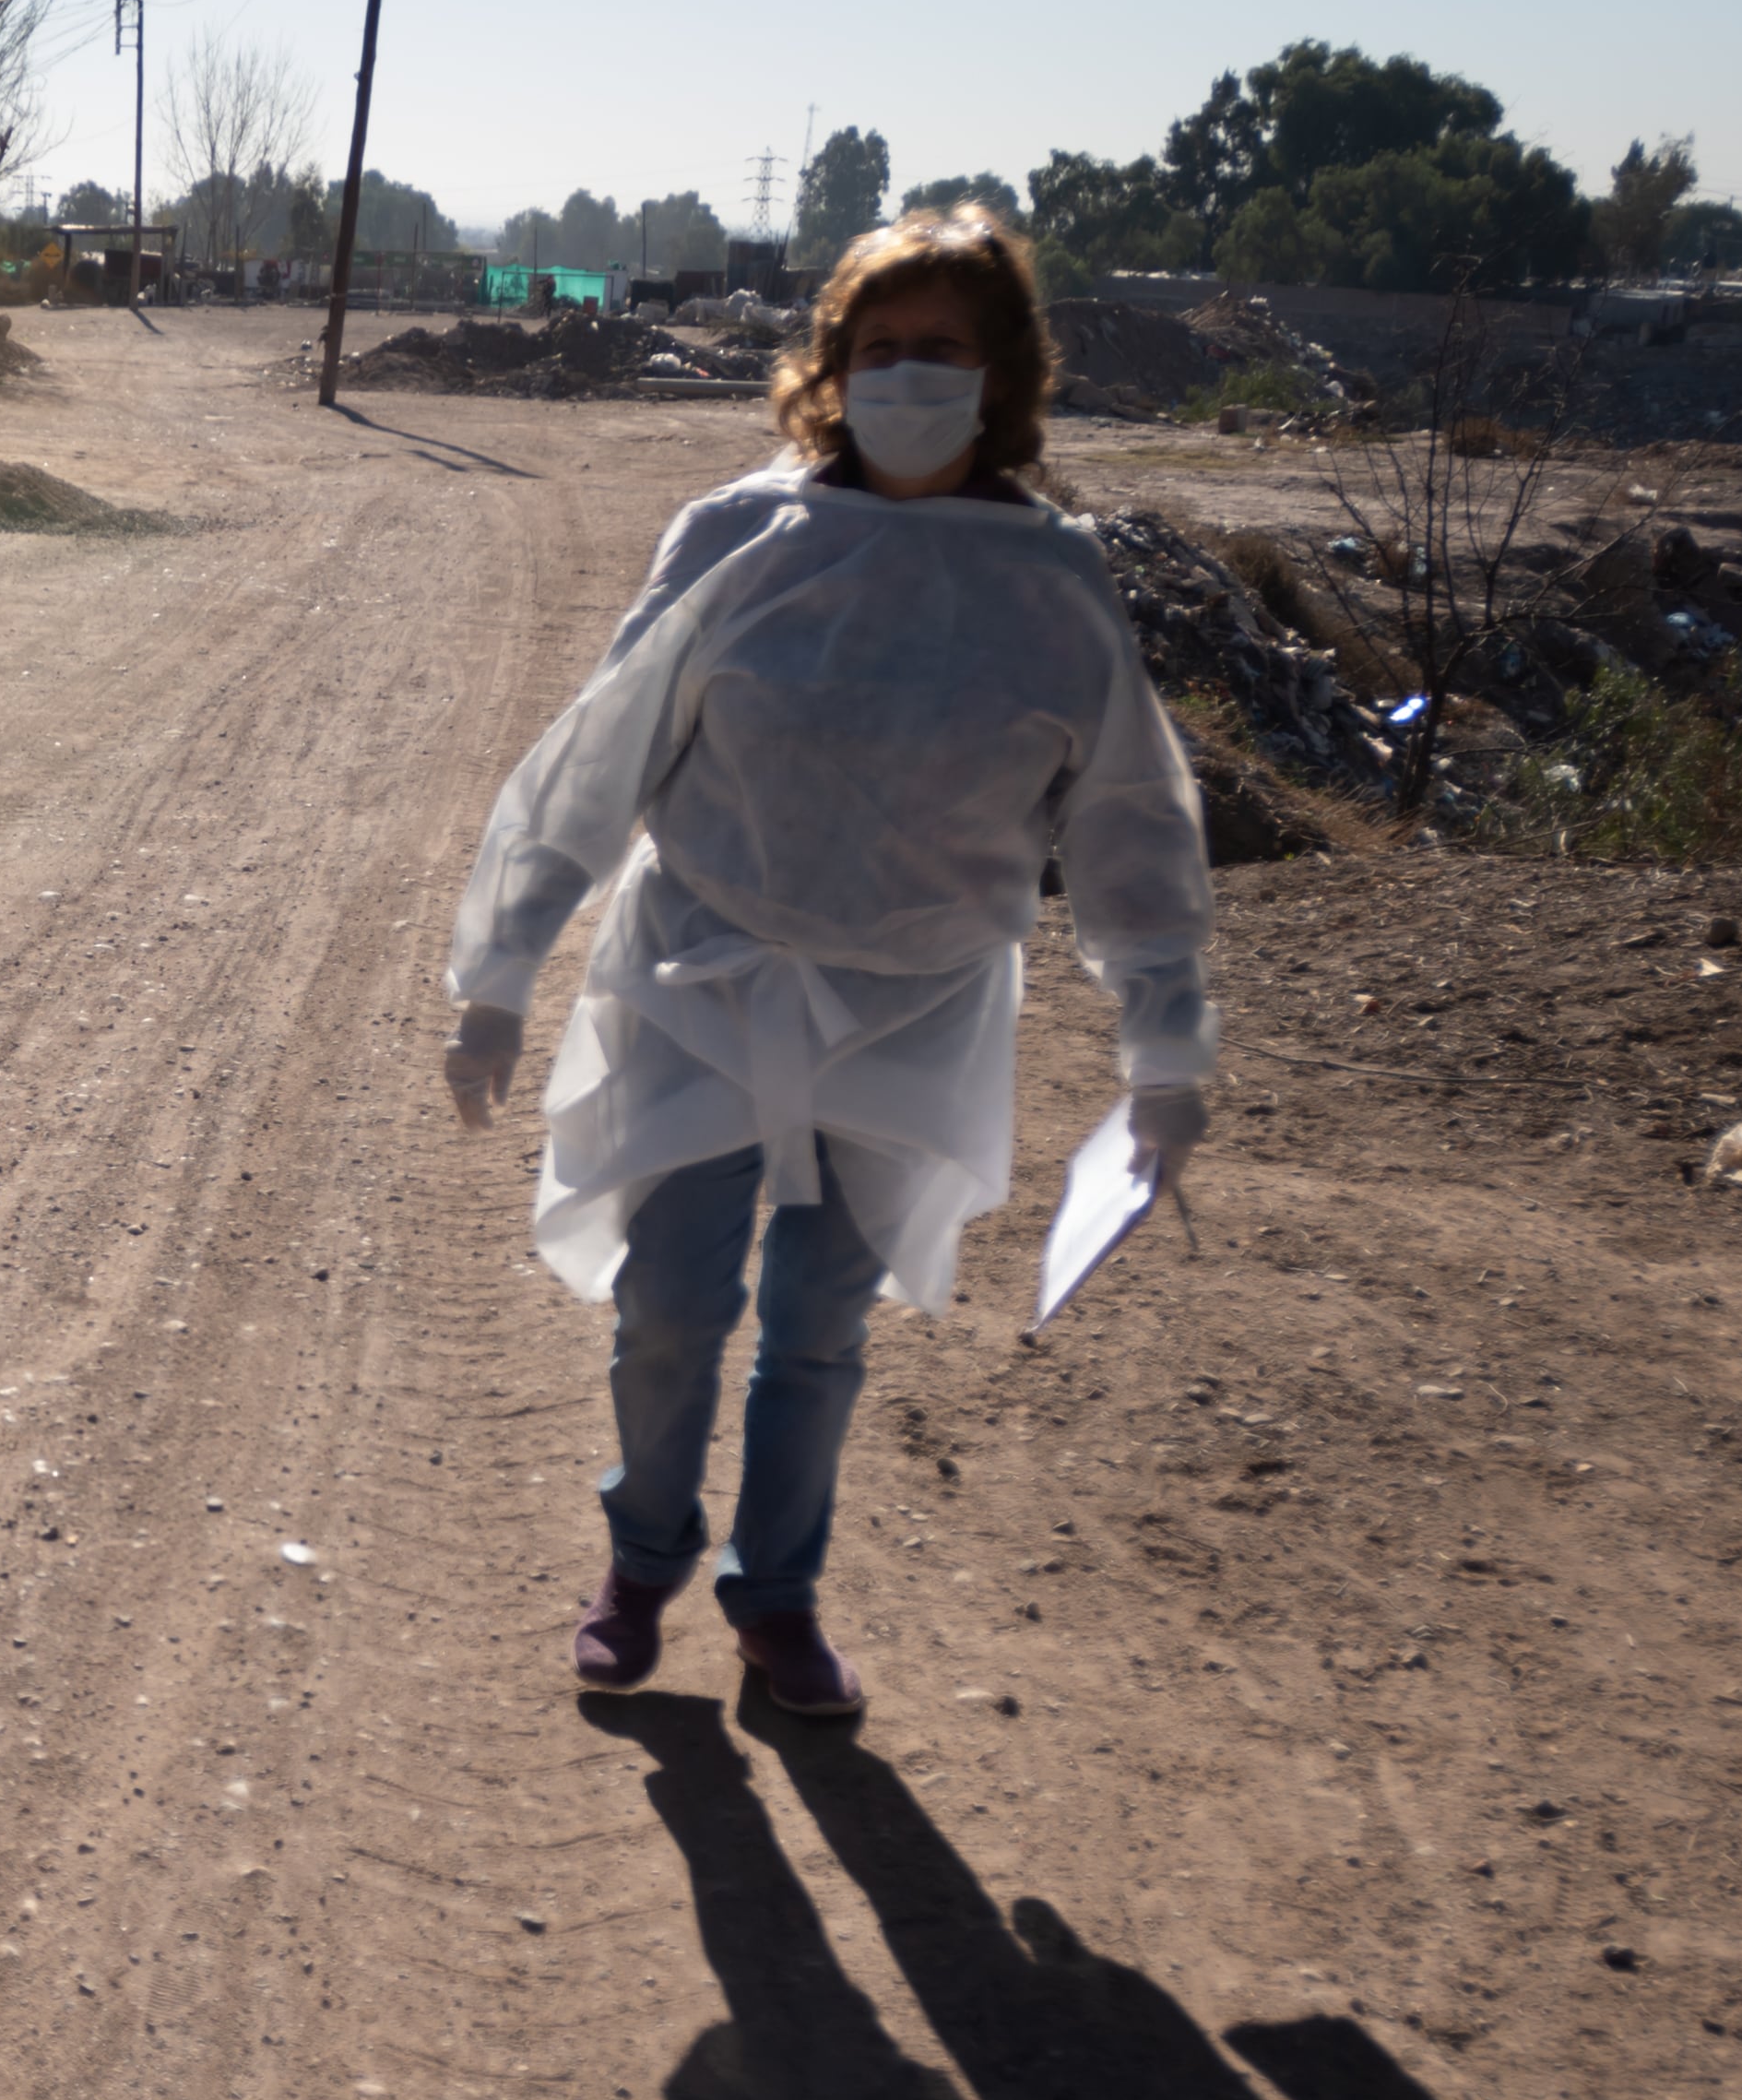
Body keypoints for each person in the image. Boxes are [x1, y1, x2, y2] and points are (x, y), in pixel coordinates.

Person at [442, 207, 1218, 1712]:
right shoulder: (741, 540)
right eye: (881, 351)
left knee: (818, 1332)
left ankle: (776, 1600)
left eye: (943, 351)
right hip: (701, 990)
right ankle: (641, 1558)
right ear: (830, 369)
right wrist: (499, 973)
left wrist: (1167, 1052)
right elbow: (599, 762)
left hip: (907, 1017)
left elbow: (1130, 826)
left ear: (1001, 377)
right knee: (671, 1310)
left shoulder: (1053, 583)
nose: (910, 377)